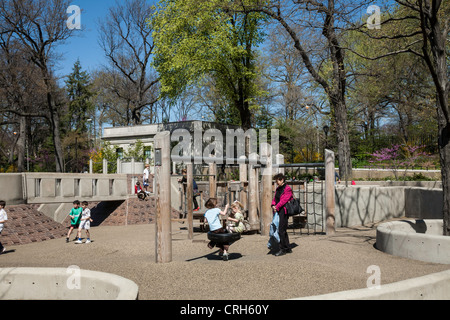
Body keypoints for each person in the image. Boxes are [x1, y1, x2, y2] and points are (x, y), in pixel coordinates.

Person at [271, 173, 293, 256]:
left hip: (283, 211)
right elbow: (275, 198)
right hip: (277, 210)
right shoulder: (278, 188)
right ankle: (287, 247)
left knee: (281, 229)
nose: (277, 182)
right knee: (282, 229)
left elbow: (284, 200)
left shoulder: (287, 189)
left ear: (282, 180)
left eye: (278, 181)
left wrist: (276, 206)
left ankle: (282, 249)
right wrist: (273, 205)